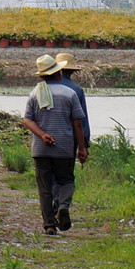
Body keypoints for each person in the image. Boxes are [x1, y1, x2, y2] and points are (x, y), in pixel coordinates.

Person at [22, 54, 88, 235]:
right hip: (64, 147)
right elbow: (77, 124)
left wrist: (42, 135)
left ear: (42, 76)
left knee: (44, 187)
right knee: (66, 180)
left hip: (41, 149)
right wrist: (82, 148)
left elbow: (27, 120)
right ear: (59, 73)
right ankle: (63, 205)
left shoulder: (35, 93)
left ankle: (49, 224)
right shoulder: (70, 94)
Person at [53, 52, 90, 215]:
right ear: (72, 71)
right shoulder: (77, 90)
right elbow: (81, 121)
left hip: (48, 138)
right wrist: (84, 146)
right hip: (69, 140)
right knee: (66, 174)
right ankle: (63, 204)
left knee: (51, 174)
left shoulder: (45, 89)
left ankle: (55, 201)